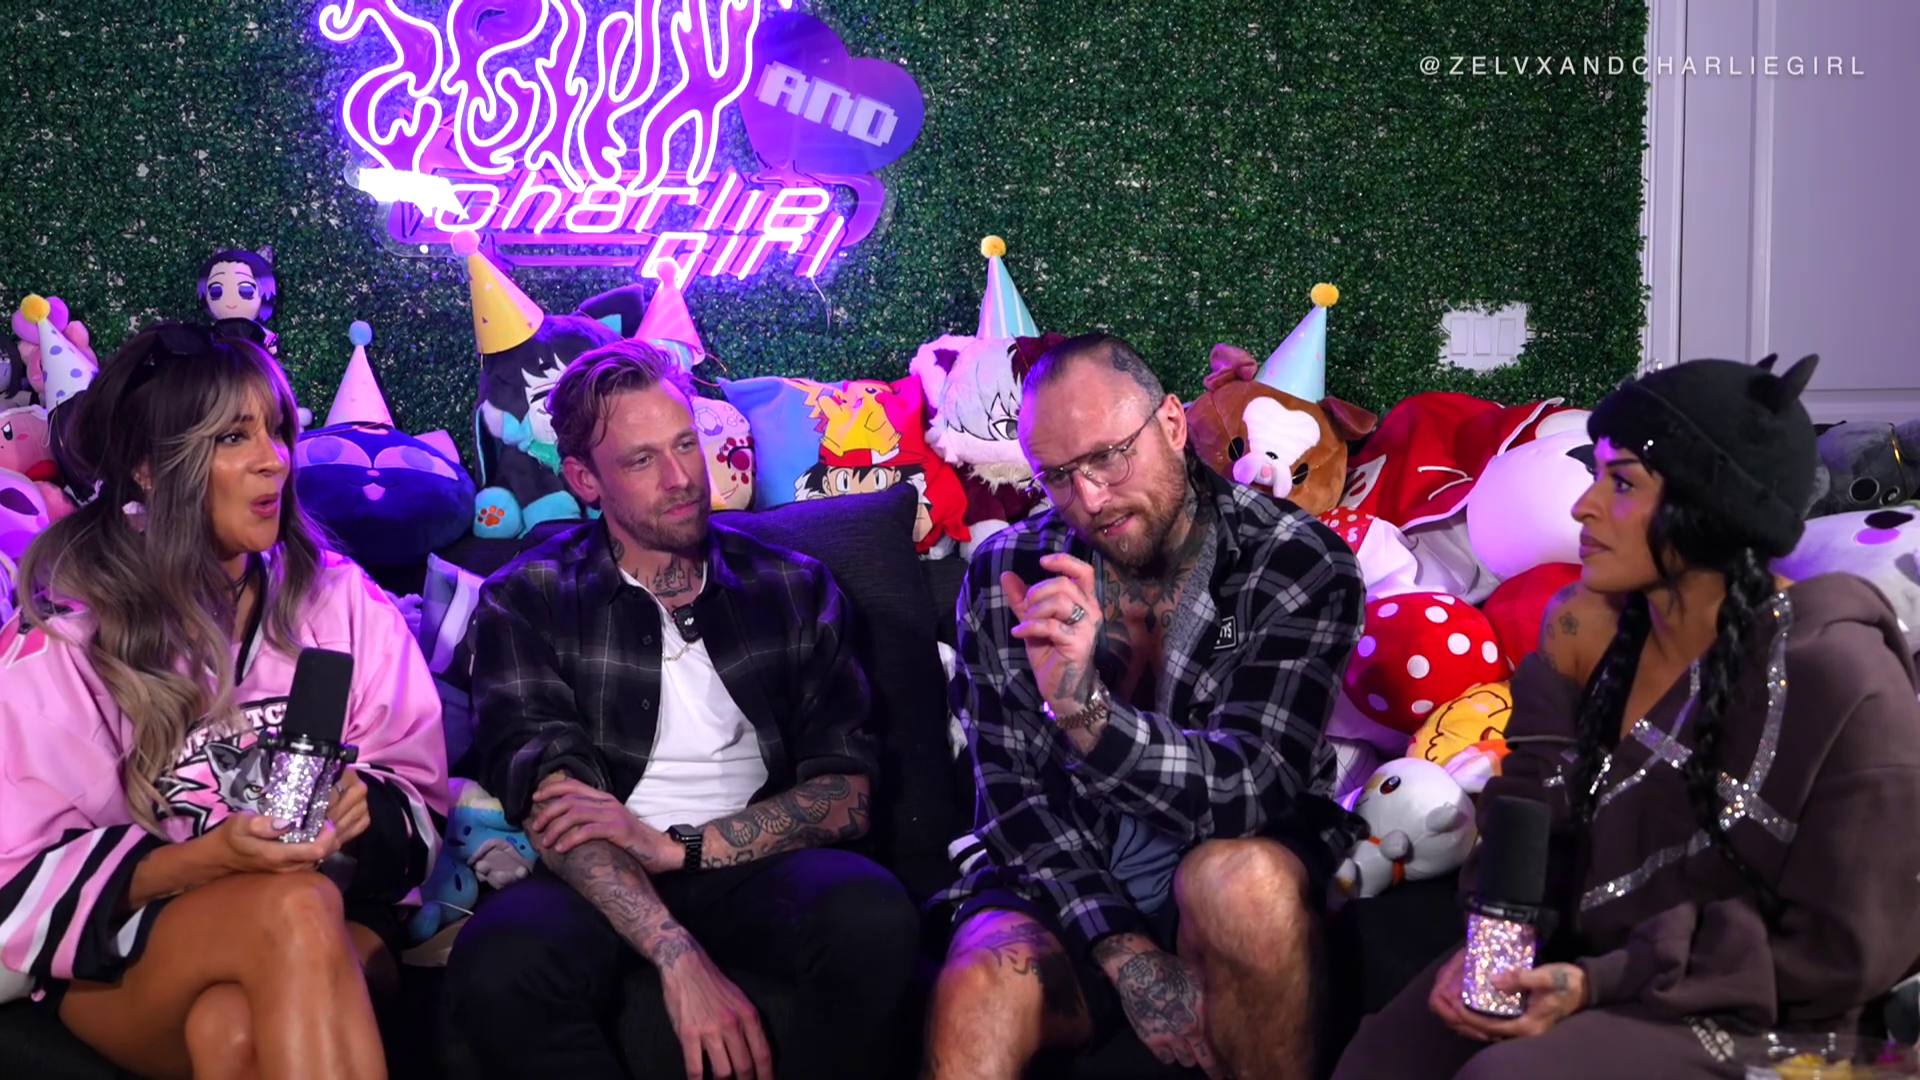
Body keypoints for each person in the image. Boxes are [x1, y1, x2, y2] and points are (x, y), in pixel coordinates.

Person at [1331, 355, 1920, 1079]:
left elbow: (1846, 946)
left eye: (1621, 482)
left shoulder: (1843, 675)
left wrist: (1596, 984)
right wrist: (1493, 957)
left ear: (1711, 511)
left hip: (1764, 1005)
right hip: (1592, 956)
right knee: (1384, 1058)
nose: (1582, 506)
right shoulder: (1580, 626)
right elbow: (1528, 805)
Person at [445, 339, 919, 1080]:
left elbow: (847, 794)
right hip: (599, 876)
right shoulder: (527, 598)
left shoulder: (793, 586)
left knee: (873, 915)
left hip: (752, 866)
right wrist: (676, 952)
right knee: (501, 962)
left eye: (685, 444)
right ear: (585, 480)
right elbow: (558, 808)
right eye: (642, 460)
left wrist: (678, 849)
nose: (681, 479)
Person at [0, 323, 450, 1079]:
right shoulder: (66, 633)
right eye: (234, 437)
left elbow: (418, 798)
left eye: (277, 429)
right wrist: (206, 859)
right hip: (131, 949)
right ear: (149, 466)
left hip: (332, 917)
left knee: (233, 1030)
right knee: (296, 910)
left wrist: (364, 806)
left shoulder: (342, 601)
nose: (276, 458)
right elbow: (17, 875)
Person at [925, 333, 1368, 1080]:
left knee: (1243, 889)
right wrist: (1120, 947)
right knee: (977, 989)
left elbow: (1250, 787)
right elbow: (1009, 792)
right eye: (1057, 476)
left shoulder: (1296, 560)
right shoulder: (1009, 569)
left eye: (1107, 457)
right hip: (1070, 861)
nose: (1090, 499)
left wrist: (1084, 711)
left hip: (1232, 852)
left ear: (1170, 422)